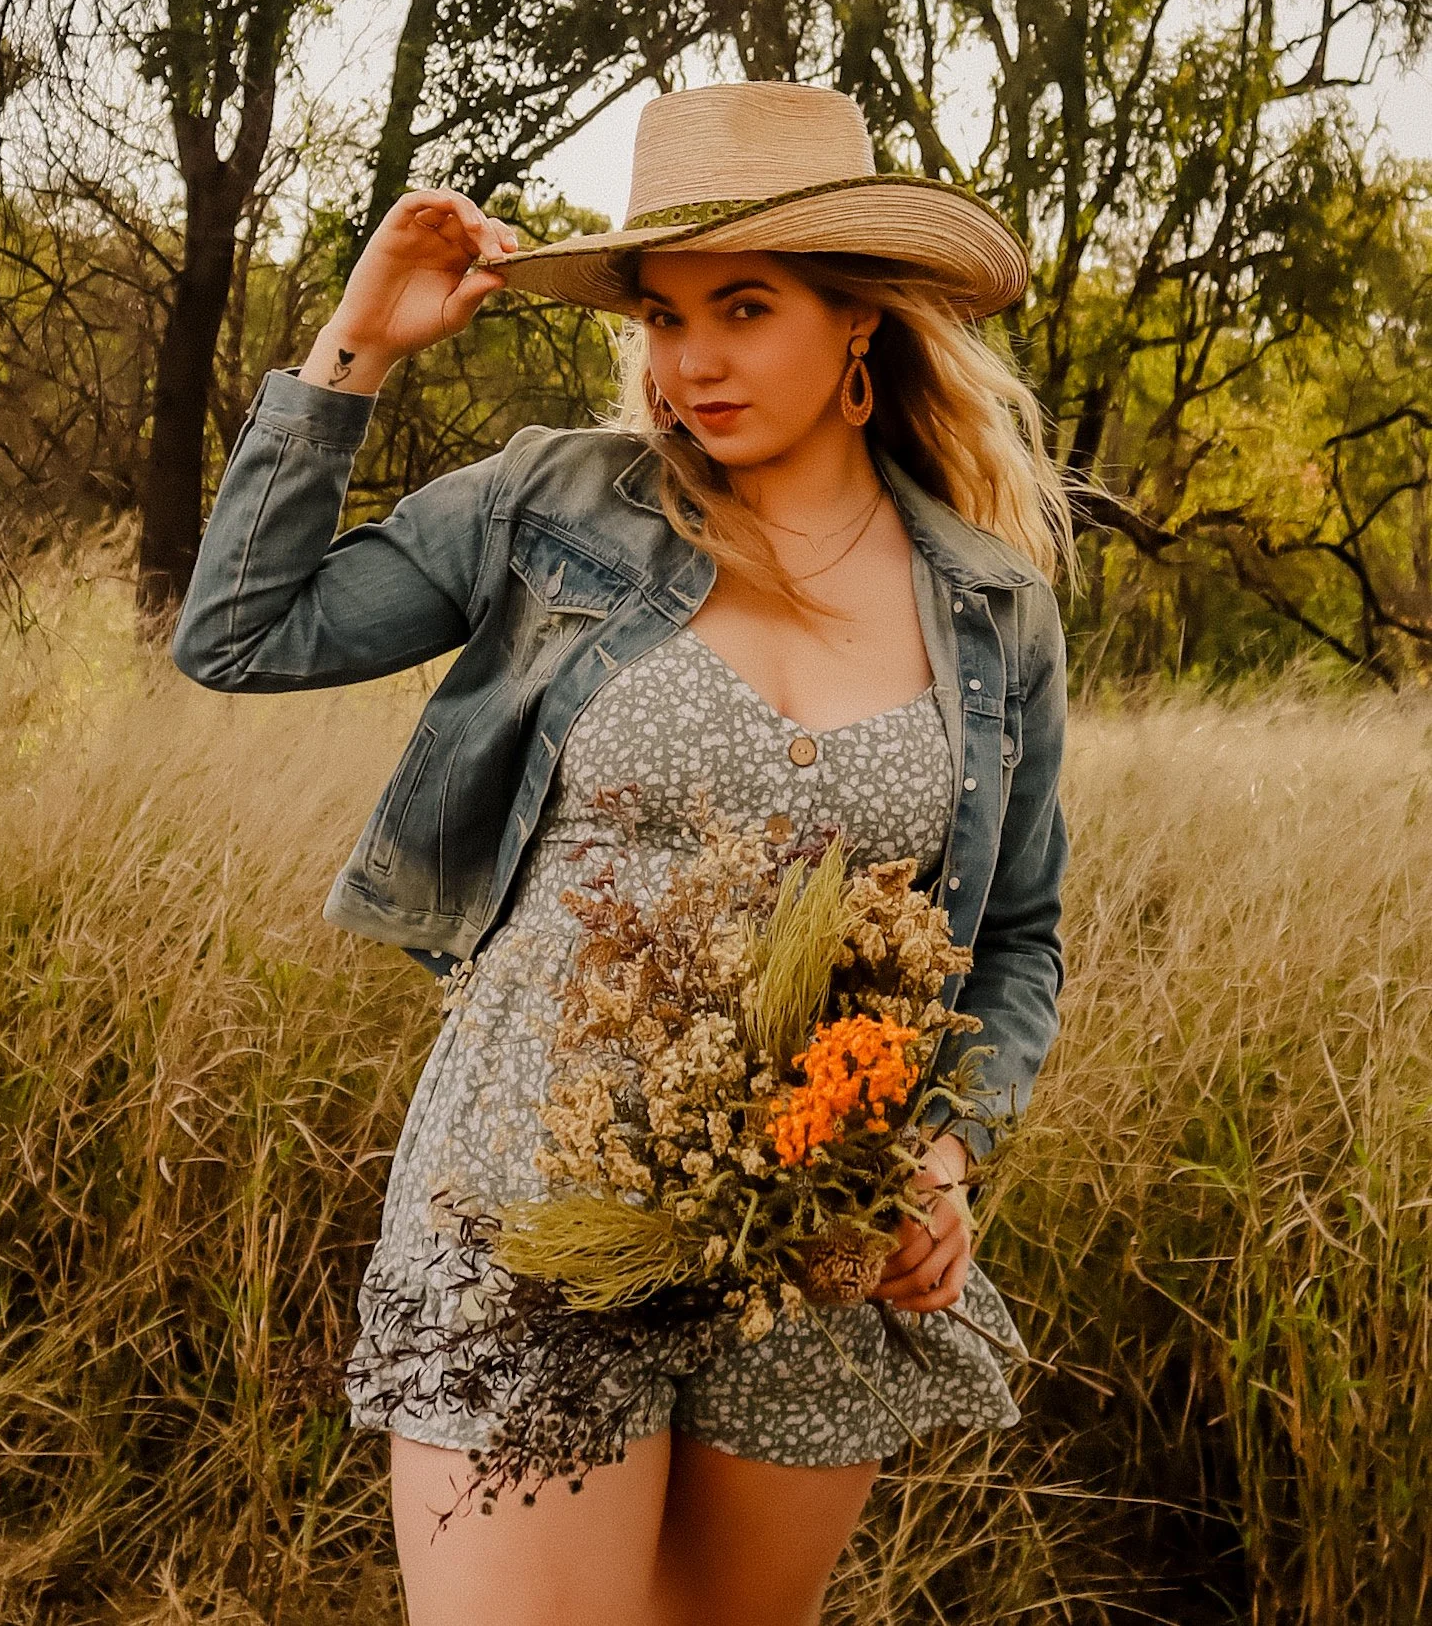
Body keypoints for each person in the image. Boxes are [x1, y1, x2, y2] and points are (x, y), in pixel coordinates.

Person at [172, 81, 1073, 1626]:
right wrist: (359, 346)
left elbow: (1022, 939)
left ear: (857, 319)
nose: (689, 360)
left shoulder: (993, 606)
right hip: (526, 1211)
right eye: (663, 315)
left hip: (810, 1245)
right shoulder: (560, 504)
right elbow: (240, 632)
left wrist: (943, 1143)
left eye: (742, 306)